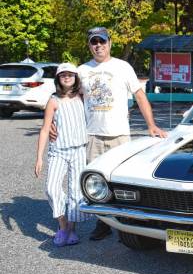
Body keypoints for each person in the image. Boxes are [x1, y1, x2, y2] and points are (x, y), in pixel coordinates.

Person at [51, 27, 167, 241]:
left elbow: (140, 96)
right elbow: (66, 97)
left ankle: (127, 226)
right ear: (89, 45)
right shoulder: (82, 70)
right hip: (92, 135)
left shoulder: (123, 67)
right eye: (94, 42)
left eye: (102, 41)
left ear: (109, 43)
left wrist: (152, 125)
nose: (98, 46)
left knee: (122, 181)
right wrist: (50, 122)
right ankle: (102, 222)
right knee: (97, 182)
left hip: (119, 134)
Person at [35, 63, 90, 247]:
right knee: (52, 188)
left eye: (70, 75)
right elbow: (44, 129)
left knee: (76, 190)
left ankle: (72, 229)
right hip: (58, 151)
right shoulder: (53, 100)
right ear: (58, 78)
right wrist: (39, 157)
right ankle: (63, 225)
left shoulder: (82, 97)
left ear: (76, 78)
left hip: (79, 151)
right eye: (63, 75)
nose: (67, 77)